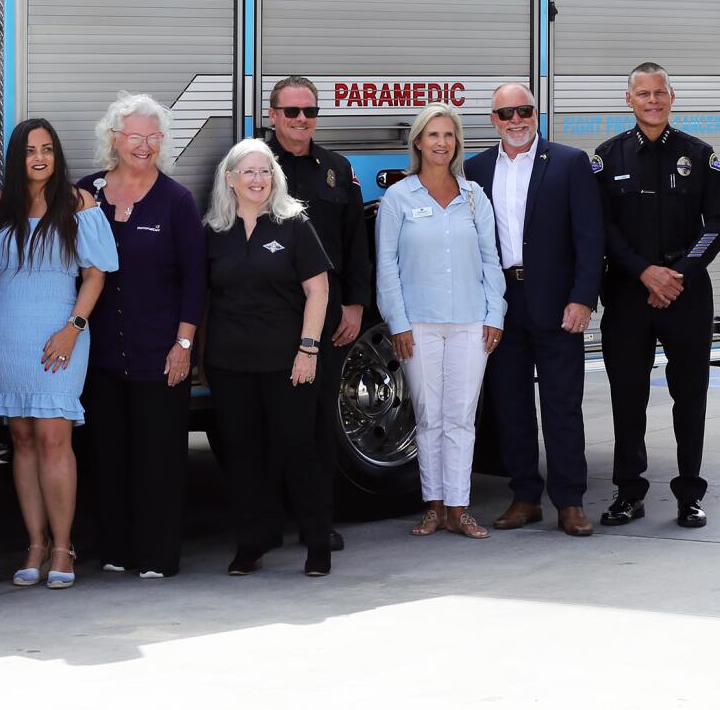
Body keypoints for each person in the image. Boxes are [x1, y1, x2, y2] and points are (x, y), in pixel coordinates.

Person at [77, 93, 206, 579]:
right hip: (101, 352)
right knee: (107, 455)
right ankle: (115, 549)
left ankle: (157, 554)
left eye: (154, 137)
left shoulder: (176, 200)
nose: (145, 145)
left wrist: (185, 344)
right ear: (114, 138)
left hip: (160, 352)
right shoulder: (86, 192)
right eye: (135, 136)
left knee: (160, 458)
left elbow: (195, 278)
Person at [466, 83, 604, 537]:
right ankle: (524, 496)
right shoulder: (476, 169)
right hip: (502, 302)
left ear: (536, 112)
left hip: (558, 301)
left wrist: (583, 298)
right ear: (493, 121)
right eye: (506, 114)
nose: (516, 120)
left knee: (562, 404)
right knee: (511, 403)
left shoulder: (568, 162)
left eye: (524, 110)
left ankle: (570, 502)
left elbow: (590, 236)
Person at [0, 119, 118, 589]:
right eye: (29, 150)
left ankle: (63, 547)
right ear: (16, 158)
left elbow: (97, 274)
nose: (39, 158)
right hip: (10, 333)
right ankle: (35, 544)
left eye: (47, 148)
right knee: (22, 437)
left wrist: (73, 328)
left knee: (53, 438)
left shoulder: (79, 203)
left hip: (61, 331)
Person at [595, 62, 720, 529]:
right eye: (643, 93)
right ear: (628, 100)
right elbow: (603, 230)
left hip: (686, 294)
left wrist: (676, 275)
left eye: (660, 93)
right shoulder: (608, 158)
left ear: (672, 97)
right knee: (627, 398)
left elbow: (718, 225)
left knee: (689, 396)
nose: (653, 101)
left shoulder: (700, 155)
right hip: (629, 294)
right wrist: (644, 273)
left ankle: (690, 494)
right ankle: (629, 493)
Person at [203, 139, 333, 576]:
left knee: (298, 450)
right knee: (241, 455)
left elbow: (318, 290)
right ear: (230, 179)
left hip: (288, 362)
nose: (258, 180)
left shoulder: (294, 224)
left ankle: (317, 543)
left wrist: (309, 349)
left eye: (265, 172)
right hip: (228, 364)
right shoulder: (214, 231)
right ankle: (252, 542)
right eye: (249, 172)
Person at [375, 104, 505, 538]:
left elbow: (492, 260)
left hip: (472, 322)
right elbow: (386, 267)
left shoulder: (474, 196)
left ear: (457, 144)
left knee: (461, 417)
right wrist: (398, 323)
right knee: (429, 416)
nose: (442, 143)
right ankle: (433, 507)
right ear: (418, 142)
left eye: (449, 135)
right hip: (419, 323)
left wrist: (495, 313)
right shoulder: (399, 197)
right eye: (433, 135)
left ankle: (460, 508)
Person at [265, 75, 371, 553]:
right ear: (273, 115)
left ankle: (319, 522)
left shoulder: (336, 168)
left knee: (319, 423)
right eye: (292, 112)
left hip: (324, 314)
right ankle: (267, 522)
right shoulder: (255, 163)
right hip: (268, 314)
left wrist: (355, 303)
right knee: (269, 422)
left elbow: (354, 241)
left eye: (310, 111)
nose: (302, 120)